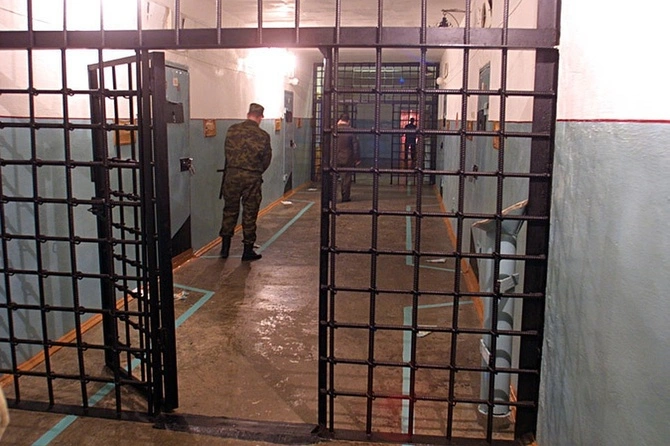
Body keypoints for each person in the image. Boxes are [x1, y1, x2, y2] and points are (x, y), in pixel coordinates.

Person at [219, 103, 272, 261]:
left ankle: (225, 249)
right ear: (260, 117)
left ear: (248, 114)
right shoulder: (263, 135)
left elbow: (227, 152)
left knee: (229, 211)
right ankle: (247, 250)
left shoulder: (232, 130)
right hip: (251, 178)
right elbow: (266, 159)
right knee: (250, 213)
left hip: (232, 176)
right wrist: (255, 170)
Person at [334, 114, 361, 202]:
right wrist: (357, 158)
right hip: (347, 158)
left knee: (332, 178)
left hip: (334, 157)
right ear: (348, 121)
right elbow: (355, 146)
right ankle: (345, 197)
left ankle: (331, 197)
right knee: (346, 178)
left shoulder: (333, 130)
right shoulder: (351, 131)